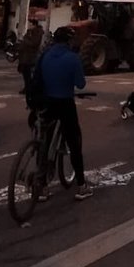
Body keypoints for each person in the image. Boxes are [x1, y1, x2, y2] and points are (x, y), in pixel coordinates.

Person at [35, 26, 93, 200]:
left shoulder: (45, 56)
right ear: (69, 41)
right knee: (74, 142)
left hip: (46, 102)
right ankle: (81, 185)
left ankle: (42, 186)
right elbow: (80, 84)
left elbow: (38, 78)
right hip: (65, 103)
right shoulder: (73, 58)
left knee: (44, 142)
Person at [17, 22, 44, 96]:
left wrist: (25, 40)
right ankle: (27, 87)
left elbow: (34, 44)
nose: (28, 25)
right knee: (25, 74)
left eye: (30, 24)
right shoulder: (29, 32)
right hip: (25, 56)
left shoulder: (37, 32)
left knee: (29, 74)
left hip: (30, 57)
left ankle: (30, 88)